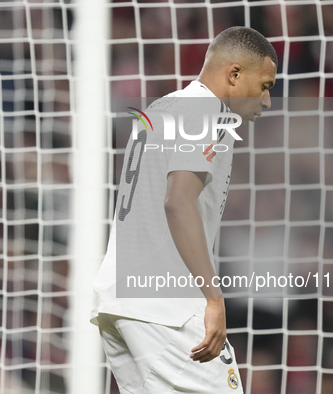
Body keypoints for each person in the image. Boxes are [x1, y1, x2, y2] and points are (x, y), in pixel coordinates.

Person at [91, 26, 277, 393]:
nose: (267, 101)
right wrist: (213, 297)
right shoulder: (209, 112)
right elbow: (177, 201)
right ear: (235, 74)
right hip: (164, 302)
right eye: (266, 86)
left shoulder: (163, 108)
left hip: (120, 297)